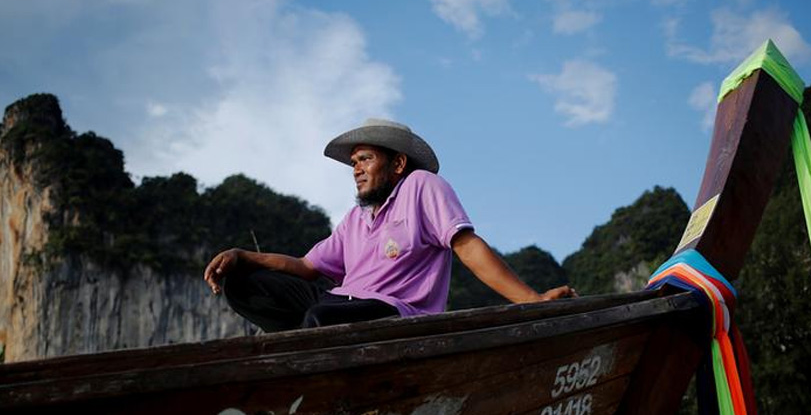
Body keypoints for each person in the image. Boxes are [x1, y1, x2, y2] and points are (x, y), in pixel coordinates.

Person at [204, 118, 576, 331]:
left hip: (394, 310)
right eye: (353, 163)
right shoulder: (356, 218)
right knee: (244, 285)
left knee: (322, 319)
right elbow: (306, 267)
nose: (356, 170)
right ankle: (298, 350)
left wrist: (532, 300)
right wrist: (242, 257)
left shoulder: (421, 186)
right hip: (339, 301)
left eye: (365, 159)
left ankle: (309, 374)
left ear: (398, 164)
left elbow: (466, 245)